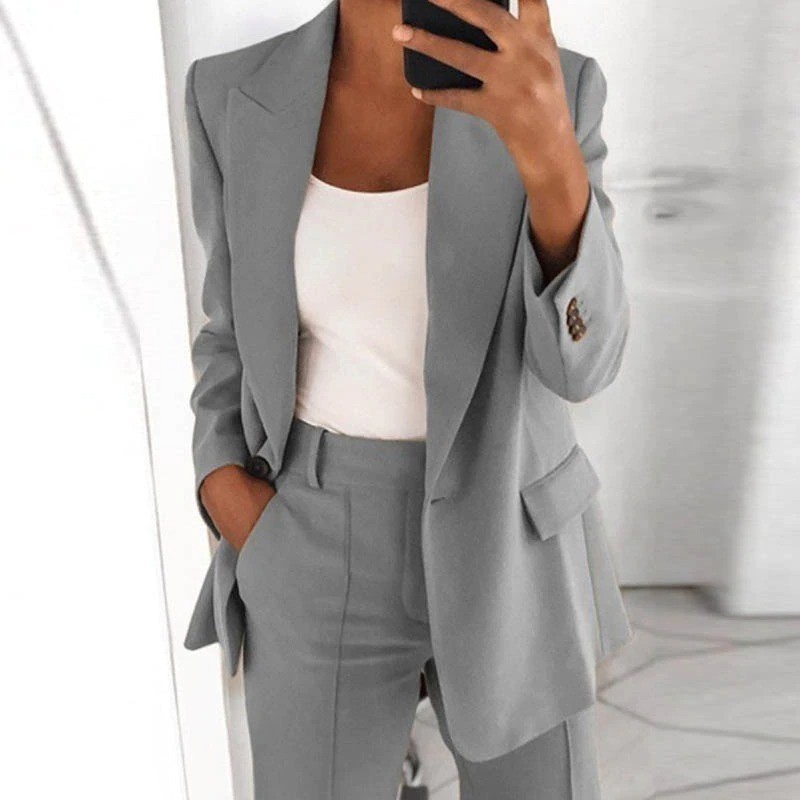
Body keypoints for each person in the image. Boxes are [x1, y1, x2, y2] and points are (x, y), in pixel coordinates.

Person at [183, 0, 635, 797]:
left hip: (510, 534)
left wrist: (550, 162)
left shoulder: (553, 88)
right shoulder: (231, 93)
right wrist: (225, 485)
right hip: (312, 538)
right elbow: (230, 329)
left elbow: (584, 367)